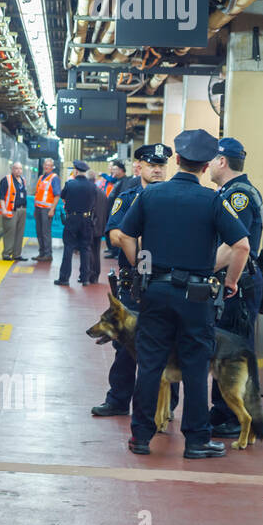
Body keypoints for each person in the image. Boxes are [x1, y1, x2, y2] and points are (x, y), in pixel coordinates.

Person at [116, 129, 251, 459]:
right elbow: (242, 246)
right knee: (194, 367)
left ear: (177, 160)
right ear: (206, 167)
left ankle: (141, 437)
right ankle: (196, 441)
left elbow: (125, 236)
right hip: (197, 296)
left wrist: (142, 269)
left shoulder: (149, 196)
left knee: (150, 364)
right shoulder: (214, 200)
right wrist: (231, 281)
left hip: (155, 291)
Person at [92, 143, 171, 417]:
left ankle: (165, 406)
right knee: (126, 345)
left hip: (165, 283)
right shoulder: (127, 197)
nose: (158, 170)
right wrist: (139, 247)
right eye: (152, 165)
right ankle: (117, 400)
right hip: (133, 285)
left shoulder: (174, 197)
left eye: (162, 166)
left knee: (165, 344)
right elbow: (114, 233)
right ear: (139, 167)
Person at [207, 136, 263, 439]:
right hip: (238, 284)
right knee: (227, 347)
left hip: (238, 285)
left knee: (232, 350)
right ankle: (223, 412)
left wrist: (204, 267)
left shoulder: (237, 195)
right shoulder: (231, 191)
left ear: (221, 161)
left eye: (211, 160)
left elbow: (235, 245)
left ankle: (232, 417)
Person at [54, 160, 97, 286]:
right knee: (85, 248)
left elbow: (63, 197)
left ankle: (64, 278)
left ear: (76, 171)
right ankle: (85, 278)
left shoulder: (70, 184)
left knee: (68, 247)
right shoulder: (92, 186)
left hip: (72, 219)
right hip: (87, 220)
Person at [0, 162, 29, 261]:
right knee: (10, 233)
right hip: (10, 210)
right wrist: (4, 209)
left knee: (20, 233)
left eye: (20, 168)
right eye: (16, 168)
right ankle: (6, 254)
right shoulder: (6, 180)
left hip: (22, 210)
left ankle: (17, 254)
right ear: (12, 169)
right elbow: (1, 196)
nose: (18, 170)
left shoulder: (23, 180)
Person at [33, 157, 61, 261]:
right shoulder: (41, 177)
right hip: (38, 208)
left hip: (46, 209)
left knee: (45, 232)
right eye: (45, 165)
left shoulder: (54, 178)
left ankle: (48, 254)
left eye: (49, 165)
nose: (46, 167)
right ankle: (41, 253)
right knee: (39, 231)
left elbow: (57, 195)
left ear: (52, 167)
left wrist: (52, 209)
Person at [88, 167, 108, 284]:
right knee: (96, 251)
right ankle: (96, 275)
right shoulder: (102, 193)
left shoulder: (89, 193)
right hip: (101, 226)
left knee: (89, 250)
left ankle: (90, 274)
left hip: (91, 225)